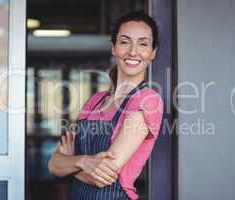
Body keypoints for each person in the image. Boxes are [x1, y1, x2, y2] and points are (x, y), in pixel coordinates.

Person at [48, 11, 164, 200]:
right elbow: (52, 164)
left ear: (152, 52)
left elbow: (103, 177)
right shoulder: (95, 101)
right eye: (125, 41)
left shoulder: (148, 100)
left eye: (143, 43)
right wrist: (84, 161)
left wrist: (70, 164)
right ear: (114, 47)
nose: (133, 51)